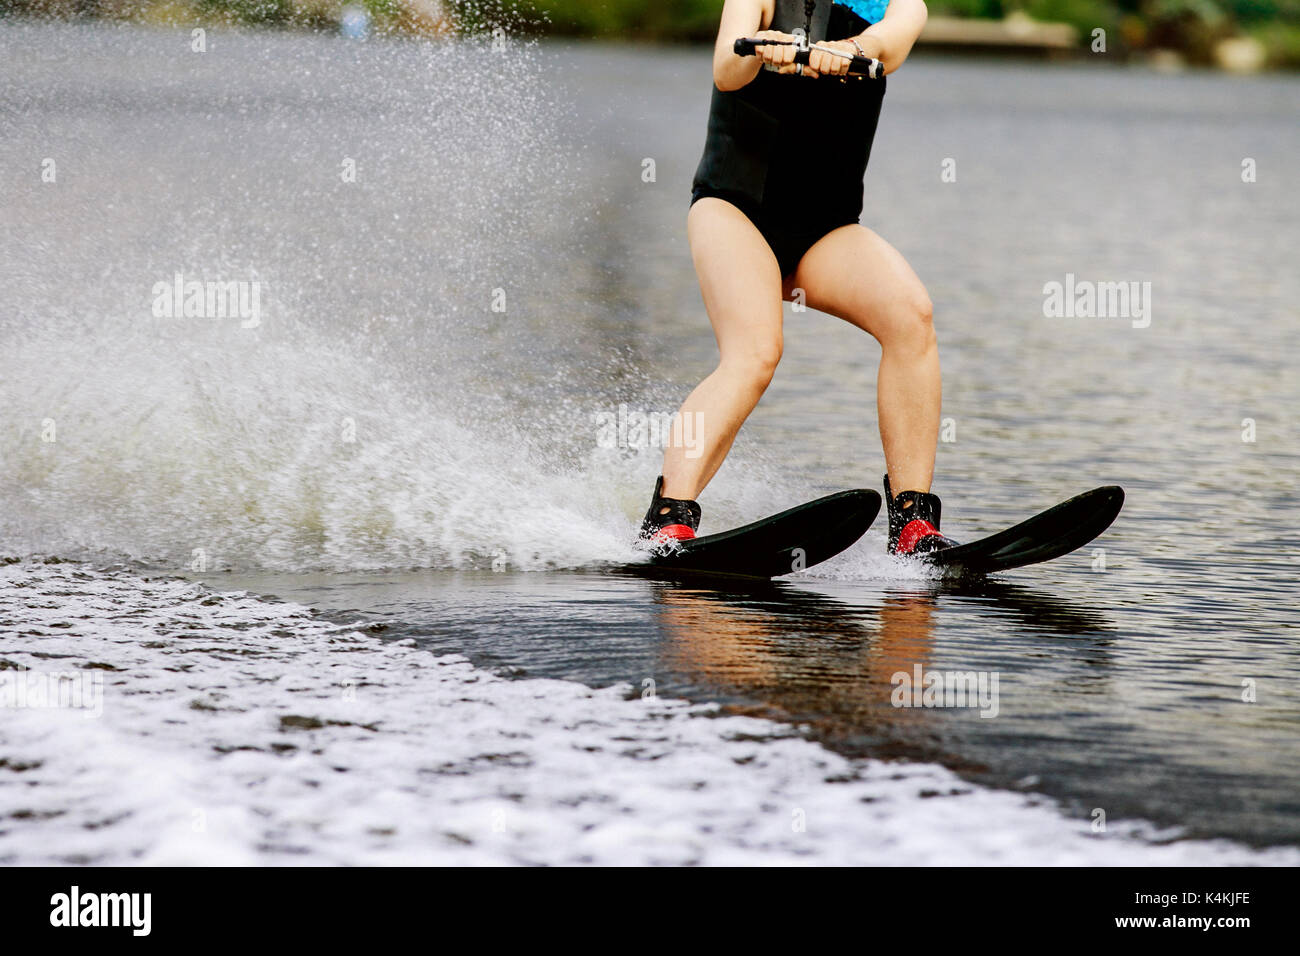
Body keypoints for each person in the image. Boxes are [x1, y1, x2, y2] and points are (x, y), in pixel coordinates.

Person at [639, 0, 957, 557]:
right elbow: (725, 68)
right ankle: (669, 518)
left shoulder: (902, 6)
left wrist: (844, 53)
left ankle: (912, 523)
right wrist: (765, 50)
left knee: (912, 318)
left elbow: (888, 46)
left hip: (824, 230)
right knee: (756, 354)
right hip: (734, 208)